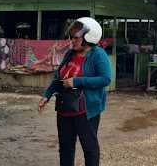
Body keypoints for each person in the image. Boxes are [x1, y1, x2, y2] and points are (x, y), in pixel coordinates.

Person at [38, 17, 111, 166]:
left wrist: (77, 81)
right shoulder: (70, 54)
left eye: (76, 37)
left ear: (88, 37)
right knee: (65, 148)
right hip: (65, 108)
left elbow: (105, 79)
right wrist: (47, 95)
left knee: (89, 148)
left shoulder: (98, 55)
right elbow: (59, 77)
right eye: (71, 37)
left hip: (86, 110)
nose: (72, 40)